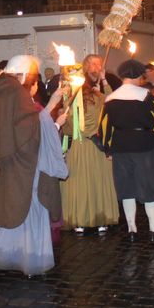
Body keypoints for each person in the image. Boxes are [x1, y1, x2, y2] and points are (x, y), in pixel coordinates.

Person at [0, 55, 69, 276]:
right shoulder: (16, 92)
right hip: (21, 168)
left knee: (1, 208)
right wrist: (52, 108)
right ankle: (26, 257)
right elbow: (27, 130)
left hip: (1, 164)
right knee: (22, 209)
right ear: (26, 75)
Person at [99, 59, 154, 241]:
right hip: (143, 145)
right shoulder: (145, 95)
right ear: (138, 76)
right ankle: (153, 231)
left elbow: (105, 128)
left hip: (121, 147)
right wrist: (148, 129)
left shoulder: (110, 99)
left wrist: (108, 149)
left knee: (126, 187)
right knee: (149, 186)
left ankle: (132, 230)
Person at [59, 54, 119, 232]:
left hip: (80, 145)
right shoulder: (98, 96)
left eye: (99, 65)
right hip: (95, 146)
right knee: (98, 182)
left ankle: (80, 220)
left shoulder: (72, 97)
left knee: (80, 183)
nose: (97, 67)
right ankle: (101, 219)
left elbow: (68, 127)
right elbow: (113, 105)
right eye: (93, 64)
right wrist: (104, 81)